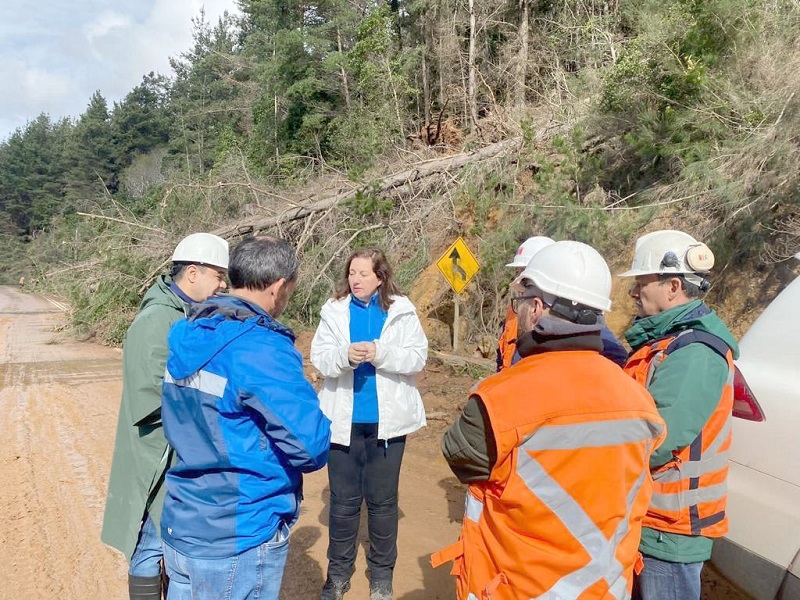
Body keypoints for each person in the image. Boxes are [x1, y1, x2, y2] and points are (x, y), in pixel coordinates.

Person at [433, 240, 666, 599]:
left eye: (522, 302)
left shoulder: (500, 398)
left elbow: (460, 456)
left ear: (537, 308)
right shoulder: (639, 399)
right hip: (604, 590)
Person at [158, 236, 331, 600]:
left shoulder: (186, 331)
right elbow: (311, 446)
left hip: (183, 522)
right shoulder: (262, 348)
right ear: (279, 286)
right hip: (238, 534)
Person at [101, 232, 229, 600]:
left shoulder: (183, 313)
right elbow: (152, 394)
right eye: (217, 275)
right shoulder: (156, 319)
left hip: (178, 446)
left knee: (167, 540)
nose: (222, 284)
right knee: (151, 541)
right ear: (193, 272)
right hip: (158, 451)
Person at [618, 230, 739, 600]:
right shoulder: (667, 344)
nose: (633, 292)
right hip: (653, 519)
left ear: (673, 287)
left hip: (670, 528)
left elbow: (658, 438)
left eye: (641, 283)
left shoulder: (694, 354)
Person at [310, 248, 428, 600]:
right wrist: (344, 356)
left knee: (382, 502)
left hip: (388, 426)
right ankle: (337, 575)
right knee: (344, 504)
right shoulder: (333, 311)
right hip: (343, 423)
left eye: (363, 273)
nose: (356, 279)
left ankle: (381, 577)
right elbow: (320, 358)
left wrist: (382, 353)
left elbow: (417, 357)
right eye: (352, 273)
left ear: (380, 276)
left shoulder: (401, 310)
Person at [498, 236, 628, 371]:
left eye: (526, 275)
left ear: (536, 308)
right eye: (518, 272)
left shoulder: (607, 345)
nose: (521, 282)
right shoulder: (631, 390)